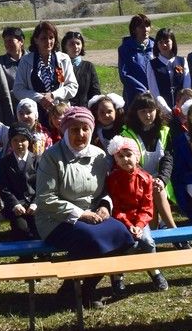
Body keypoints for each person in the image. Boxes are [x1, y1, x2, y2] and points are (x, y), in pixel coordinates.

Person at [35, 106, 134, 307]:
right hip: (55, 219)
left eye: (85, 128)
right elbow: (46, 198)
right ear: (65, 131)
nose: (80, 134)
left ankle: (85, 288)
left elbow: (106, 190)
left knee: (123, 235)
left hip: (94, 217)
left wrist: (105, 205)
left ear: (91, 129)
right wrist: (81, 214)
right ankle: (74, 292)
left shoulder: (99, 156)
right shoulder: (51, 157)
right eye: (74, 130)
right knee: (92, 240)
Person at [104, 136, 170, 291]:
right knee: (120, 244)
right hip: (121, 220)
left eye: (129, 155)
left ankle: (155, 272)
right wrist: (128, 224)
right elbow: (117, 207)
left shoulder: (145, 178)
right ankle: (117, 277)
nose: (125, 159)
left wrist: (139, 225)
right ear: (116, 159)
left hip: (140, 220)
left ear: (137, 156)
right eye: (121, 156)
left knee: (147, 241)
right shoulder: (113, 179)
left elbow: (147, 207)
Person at [119, 92, 178, 229]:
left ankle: (159, 231)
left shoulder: (164, 131)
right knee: (154, 189)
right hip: (136, 180)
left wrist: (162, 179)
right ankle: (172, 230)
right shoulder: (126, 133)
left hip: (161, 180)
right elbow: (130, 164)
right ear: (136, 113)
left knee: (157, 188)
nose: (147, 115)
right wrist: (148, 179)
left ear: (156, 111)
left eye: (151, 110)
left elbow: (167, 159)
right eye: (143, 111)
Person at [13, 20, 78, 132]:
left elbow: (72, 86)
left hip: (60, 115)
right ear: (36, 40)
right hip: (36, 116)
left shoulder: (63, 59)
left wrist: (53, 95)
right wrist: (40, 98)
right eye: (43, 38)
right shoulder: (26, 61)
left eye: (51, 37)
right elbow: (18, 90)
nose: (48, 41)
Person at [0, 124, 40, 240]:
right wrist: (15, 204)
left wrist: (35, 203)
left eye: (23, 140)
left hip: (35, 204)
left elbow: (42, 186)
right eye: (15, 140)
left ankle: (43, 255)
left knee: (39, 227)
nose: (19, 144)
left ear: (29, 141)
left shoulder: (38, 160)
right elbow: (3, 188)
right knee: (21, 229)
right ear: (10, 142)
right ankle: (25, 257)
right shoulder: (4, 162)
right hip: (16, 205)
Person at [150, 27, 191, 112]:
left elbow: (187, 86)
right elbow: (154, 91)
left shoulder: (182, 61)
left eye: (167, 41)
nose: (164, 45)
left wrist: (180, 107)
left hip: (182, 108)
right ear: (157, 44)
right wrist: (166, 109)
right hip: (162, 109)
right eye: (161, 42)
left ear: (173, 42)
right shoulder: (152, 64)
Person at [61, 29, 102, 110]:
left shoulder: (88, 66)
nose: (76, 47)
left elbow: (95, 91)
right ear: (65, 47)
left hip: (84, 110)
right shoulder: (59, 65)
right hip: (64, 110)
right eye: (71, 44)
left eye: (78, 43)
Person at [117, 13, 156, 99]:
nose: (145, 29)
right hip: (134, 96)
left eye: (147, 26)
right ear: (134, 30)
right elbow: (124, 75)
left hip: (155, 94)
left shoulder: (156, 46)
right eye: (141, 27)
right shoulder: (125, 49)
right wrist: (143, 91)